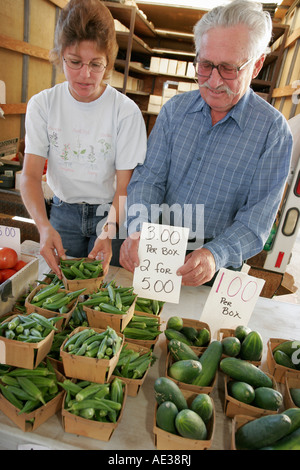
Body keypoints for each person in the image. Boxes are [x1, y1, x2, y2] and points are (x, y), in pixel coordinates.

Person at [119, 0, 293, 287]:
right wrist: (138, 230)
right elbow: (148, 180)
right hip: (156, 253)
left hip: (216, 269)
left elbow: (256, 223)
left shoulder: (273, 133)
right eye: (205, 65)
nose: (213, 81)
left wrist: (215, 254)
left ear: (257, 65)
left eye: (228, 69)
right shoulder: (175, 111)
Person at [20, 0, 147, 279]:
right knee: (60, 287)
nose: (85, 74)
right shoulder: (43, 105)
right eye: (74, 62)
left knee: (105, 293)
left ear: (109, 62)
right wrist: (43, 227)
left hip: (111, 213)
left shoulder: (125, 112)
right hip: (63, 214)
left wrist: (109, 230)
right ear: (60, 55)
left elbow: (125, 187)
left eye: (96, 64)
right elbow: (29, 176)